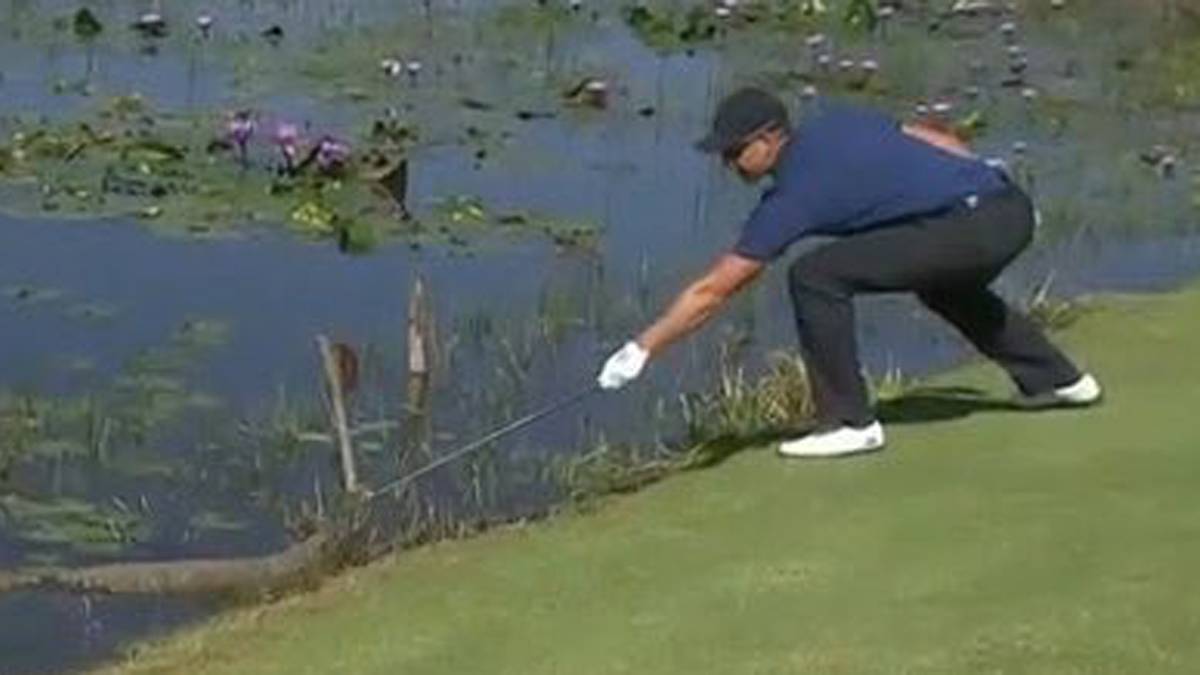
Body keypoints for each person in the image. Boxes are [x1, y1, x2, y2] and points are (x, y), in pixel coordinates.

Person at [596, 87, 1101, 458]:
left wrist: (643, 348)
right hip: (1006, 208)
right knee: (943, 286)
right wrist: (983, 177)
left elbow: (714, 289)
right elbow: (926, 135)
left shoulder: (795, 196)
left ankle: (849, 422)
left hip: (974, 224)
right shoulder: (838, 124)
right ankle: (1059, 379)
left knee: (815, 276)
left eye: (735, 151)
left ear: (770, 139)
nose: (730, 163)